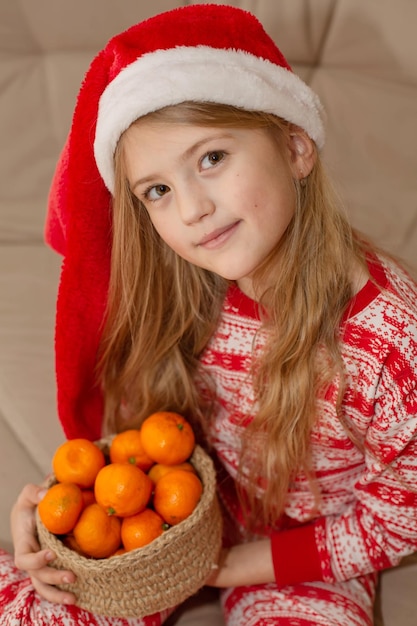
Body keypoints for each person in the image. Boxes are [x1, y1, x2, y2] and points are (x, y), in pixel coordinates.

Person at [1, 4, 417, 626]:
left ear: (296, 146)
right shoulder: (182, 286)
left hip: (302, 555)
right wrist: (57, 519)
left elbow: (398, 517)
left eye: (212, 158)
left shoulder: (391, 342)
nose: (191, 208)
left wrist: (223, 567)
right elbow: (137, 439)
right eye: (158, 191)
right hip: (165, 523)